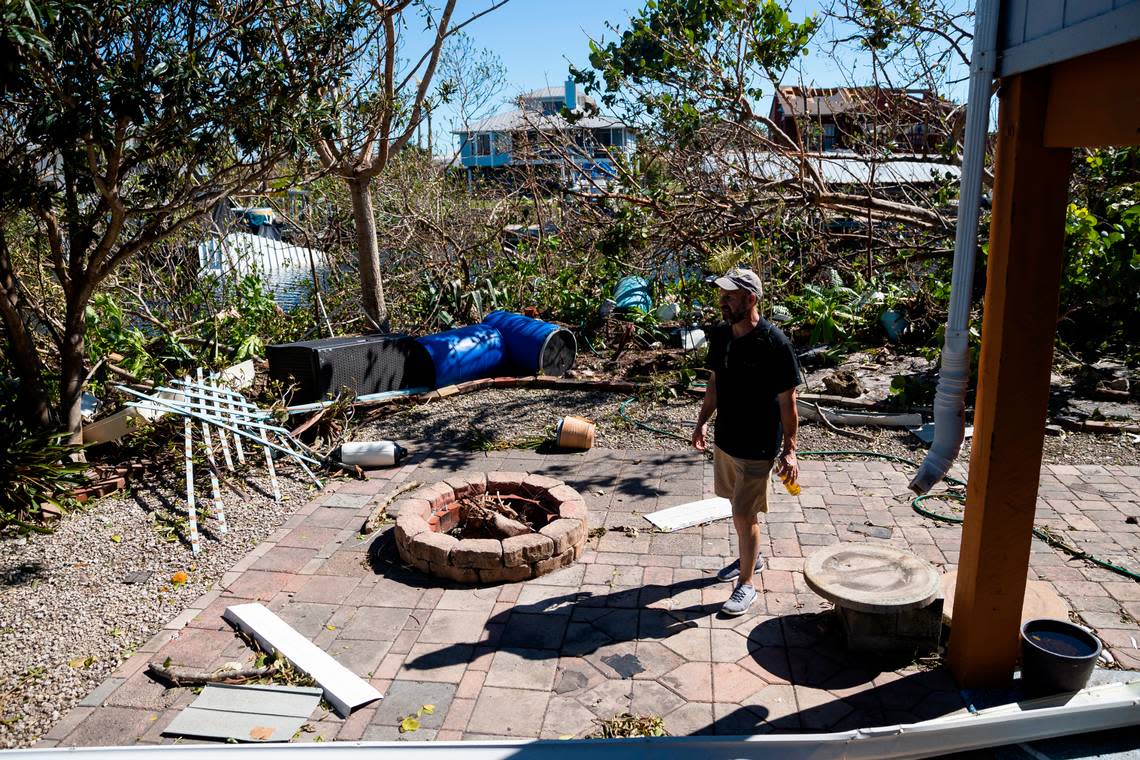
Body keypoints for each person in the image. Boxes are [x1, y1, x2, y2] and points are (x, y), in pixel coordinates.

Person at [692, 267, 800, 617]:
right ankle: (751, 556)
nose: (722, 302)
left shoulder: (775, 343)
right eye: (721, 295)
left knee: (743, 512)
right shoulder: (721, 335)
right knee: (735, 506)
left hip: (758, 445)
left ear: (751, 299)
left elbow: (788, 402)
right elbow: (714, 385)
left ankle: (746, 584)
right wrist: (701, 423)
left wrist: (791, 450)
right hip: (726, 440)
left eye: (730, 296)